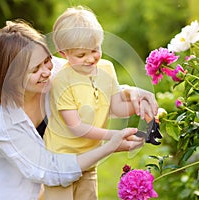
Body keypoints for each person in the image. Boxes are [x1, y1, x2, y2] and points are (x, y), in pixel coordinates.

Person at [0, 20, 157, 200]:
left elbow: (91, 99)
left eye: (47, 60)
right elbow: (47, 170)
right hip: (3, 193)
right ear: (12, 76)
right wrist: (109, 146)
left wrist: (133, 93)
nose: (47, 71)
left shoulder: (59, 72)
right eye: (35, 70)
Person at [43, 6, 154, 200]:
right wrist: (114, 137)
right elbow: (76, 127)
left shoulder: (106, 68)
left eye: (95, 50)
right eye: (81, 55)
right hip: (61, 162)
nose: (90, 58)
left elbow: (116, 107)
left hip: (90, 159)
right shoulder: (62, 80)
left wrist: (137, 107)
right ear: (63, 53)